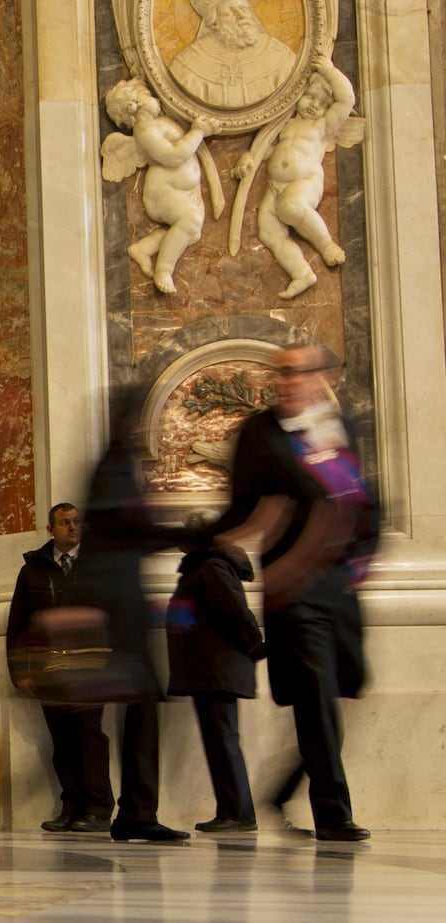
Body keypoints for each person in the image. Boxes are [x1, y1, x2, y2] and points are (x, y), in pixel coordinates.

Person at [212, 341, 376, 842]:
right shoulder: (260, 433)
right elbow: (242, 506)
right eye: (280, 373)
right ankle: (333, 815)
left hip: (337, 591)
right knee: (316, 698)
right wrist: (202, 539)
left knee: (332, 697)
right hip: (293, 589)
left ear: (317, 376)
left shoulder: (338, 428)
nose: (285, 381)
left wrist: (363, 562)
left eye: (297, 373)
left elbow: (362, 502)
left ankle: (283, 792)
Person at [57, 387, 189, 842]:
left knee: (138, 706)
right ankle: (132, 811)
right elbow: (132, 531)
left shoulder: (114, 467)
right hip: (116, 610)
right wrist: (191, 532)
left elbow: (130, 532)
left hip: (117, 605)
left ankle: (136, 810)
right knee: (137, 705)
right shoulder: (113, 467)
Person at [6, 503, 114, 833]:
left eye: (76, 522)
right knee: (63, 741)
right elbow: (18, 624)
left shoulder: (95, 566)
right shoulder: (34, 570)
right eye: (65, 523)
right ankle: (72, 805)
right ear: (51, 529)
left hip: (88, 668)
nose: (72, 528)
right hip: (49, 668)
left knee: (90, 737)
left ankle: (98, 806)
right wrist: (20, 671)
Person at [165, 535, 265, 834]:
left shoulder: (211, 567)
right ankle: (232, 810)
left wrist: (256, 645)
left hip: (215, 668)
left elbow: (233, 612)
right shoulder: (205, 567)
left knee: (222, 740)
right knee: (220, 740)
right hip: (209, 667)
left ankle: (238, 812)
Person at [234, 56, 356, 299]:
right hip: (274, 186)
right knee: (268, 232)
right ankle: (301, 272)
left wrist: (330, 71)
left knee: (291, 207)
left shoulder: (322, 127)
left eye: (321, 103)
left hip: (304, 182)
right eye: (310, 97)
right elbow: (265, 151)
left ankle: (326, 245)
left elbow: (346, 100)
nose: (313, 105)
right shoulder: (285, 125)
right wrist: (246, 158)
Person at [100, 77, 218, 294]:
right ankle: (164, 270)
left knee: (193, 233)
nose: (153, 98)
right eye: (145, 94)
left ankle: (144, 248)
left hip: (180, 191)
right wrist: (198, 131)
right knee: (190, 220)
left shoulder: (154, 124)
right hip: (162, 192)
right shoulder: (145, 131)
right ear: (133, 105)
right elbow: (174, 157)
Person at [167, 0, 297, 109]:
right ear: (213, 20)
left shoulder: (280, 57)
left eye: (244, 8)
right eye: (230, 11)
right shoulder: (186, 67)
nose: (242, 15)